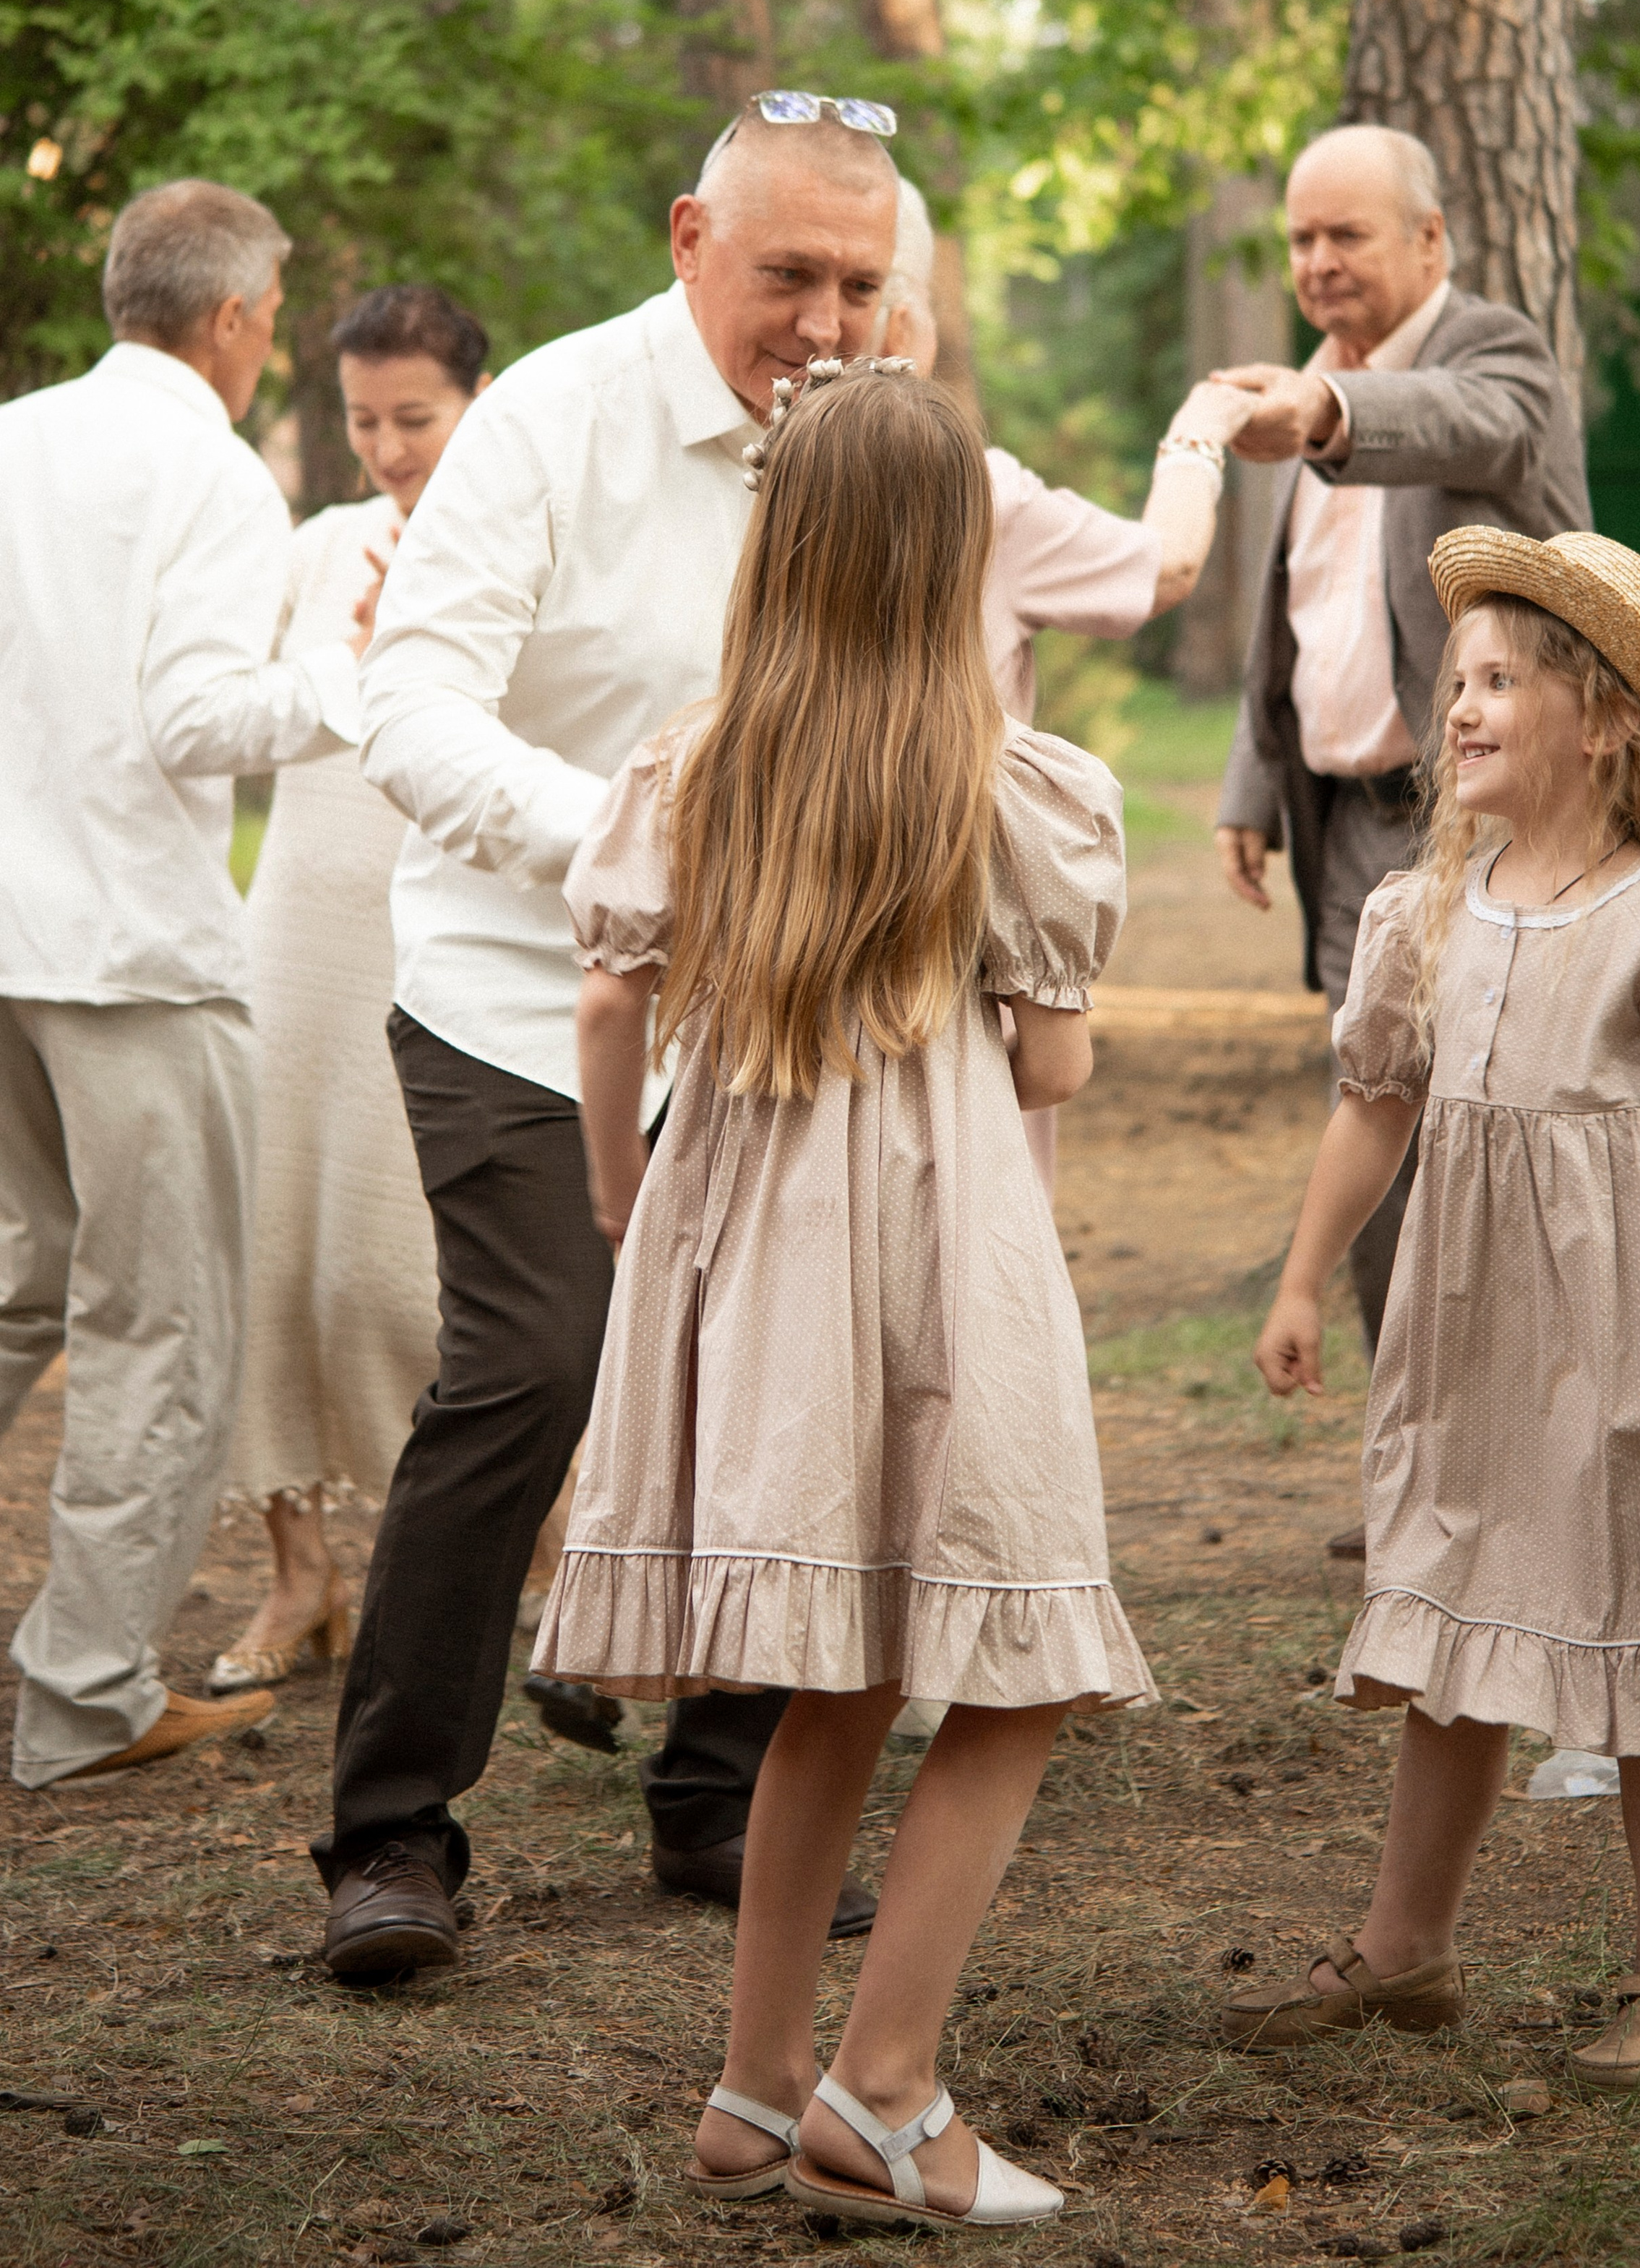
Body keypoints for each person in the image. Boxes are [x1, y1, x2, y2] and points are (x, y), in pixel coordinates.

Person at [536, 358, 1153, 2229]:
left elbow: (605, 1001)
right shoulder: (1011, 789)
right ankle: (885, 2091)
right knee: (1014, 1661)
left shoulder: (691, 765)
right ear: (953, 553)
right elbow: (1049, 1077)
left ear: (776, 544)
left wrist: (631, 1206)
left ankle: (753, 2083)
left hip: (745, 1235)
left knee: (847, 1674)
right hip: (940, 1246)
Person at [317, 95, 905, 1981]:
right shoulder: (550, 425)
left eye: (862, 284)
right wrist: (629, 853)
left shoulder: (868, 435)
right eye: (789, 276)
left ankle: (721, 1794)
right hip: (512, 989)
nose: (827, 321)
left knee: (779, 1385)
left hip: (773, 1013)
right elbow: (406, 703)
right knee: (532, 1370)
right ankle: (392, 1833)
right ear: (685, 239)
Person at [1224, 529, 1640, 2093]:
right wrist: (1304, 1277)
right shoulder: (1420, 914)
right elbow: (1372, 1110)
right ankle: (1404, 1944)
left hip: (1633, 1331)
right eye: (1455, 685)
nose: (1462, 710)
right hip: (1471, 1333)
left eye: (1501, 681)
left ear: (1607, 720)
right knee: (1450, 1614)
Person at [0, 179, 365, 1787]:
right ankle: (84, 1697)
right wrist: (350, 669)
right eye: (272, 316)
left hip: (5, 944)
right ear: (230, 319)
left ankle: (81, 1676)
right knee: (161, 1327)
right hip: (133, 951)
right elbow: (198, 720)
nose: (269, 342)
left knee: (20, 1288)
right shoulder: (210, 475)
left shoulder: (12, 441)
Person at [1212, 125, 1591, 1554]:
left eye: (1345, 237)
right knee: (1374, 1155)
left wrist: (1319, 415)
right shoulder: (1308, 399)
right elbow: (1303, 612)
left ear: (1426, 245)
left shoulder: (1492, 355)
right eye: (1300, 240)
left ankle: (1547, 1471)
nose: (1314, 264)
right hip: (1348, 837)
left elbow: (1473, 427)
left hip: (1495, 839)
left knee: (1515, 1147)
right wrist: (1254, 782)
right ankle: (1422, 1480)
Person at [209, 288, 491, 1695]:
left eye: (415, 419)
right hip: (294, 933)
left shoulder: (513, 538)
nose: (385, 447)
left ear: (476, 407)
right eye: (363, 420)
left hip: (432, 938)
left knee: (399, 1265)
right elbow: (232, 696)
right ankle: (297, 1573)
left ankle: (489, 1556)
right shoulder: (316, 548)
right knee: (272, 1258)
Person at [880, 179, 1242, 1195]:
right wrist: (1201, 429)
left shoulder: (773, 477)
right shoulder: (975, 493)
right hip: (952, 975)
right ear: (914, 331)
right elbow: (1167, 566)